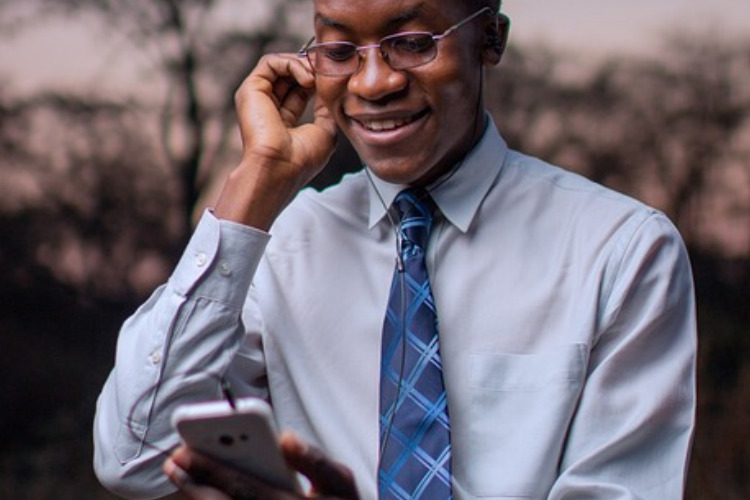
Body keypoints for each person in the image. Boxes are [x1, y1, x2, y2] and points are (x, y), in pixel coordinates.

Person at [93, 0, 697, 499]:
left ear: (491, 38)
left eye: (412, 42)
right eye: (338, 50)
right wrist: (258, 181)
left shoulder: (621, 251)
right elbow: (135, 457)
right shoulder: (278, 247)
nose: (374, 82)